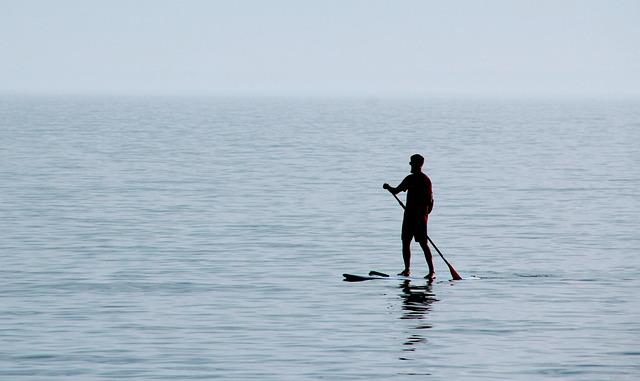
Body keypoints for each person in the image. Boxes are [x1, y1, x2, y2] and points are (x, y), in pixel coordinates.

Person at [383, 154, 435, 280]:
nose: (410, 164)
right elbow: (397, 191)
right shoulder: (413, 179)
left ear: (417, 164)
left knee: (423, 243)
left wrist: (387, 186)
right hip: (410, 216)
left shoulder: (422, 180)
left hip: (419, 218)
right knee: (406, 242)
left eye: (411, 162)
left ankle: (431, 271)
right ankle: (407, 270)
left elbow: (430, 200)